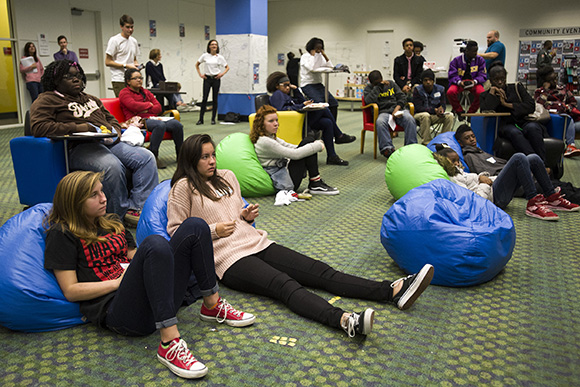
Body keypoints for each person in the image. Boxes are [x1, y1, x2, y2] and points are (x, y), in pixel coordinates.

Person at [166, 134, 434, 338]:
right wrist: (213, 230)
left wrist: (245, 215)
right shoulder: (182, 188)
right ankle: (345, 321)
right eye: (204, 157)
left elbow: (235, 213)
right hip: (228, 259)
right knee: (285, 286)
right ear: (191, 160)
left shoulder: (227, 176)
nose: (212, 161)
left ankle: (392, 290)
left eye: (213, 155)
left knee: (322, 272)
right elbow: (177, 234)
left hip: (256, 241)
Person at [44, 171, 254, 380]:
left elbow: (135, 256)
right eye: (94, 195)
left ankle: (211, 305)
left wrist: (158, 264)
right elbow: (71, 291)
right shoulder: (62, 234)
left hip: (150, 295)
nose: (104, 198)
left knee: (195, 226)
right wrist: (118, 283)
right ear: (74, 201)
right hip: (119, 310)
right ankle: (169, 343)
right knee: (154, 242)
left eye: (102, 191)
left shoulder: (112, 221)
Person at [30, 60, 157, 225]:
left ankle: (136, 209)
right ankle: (115, 218)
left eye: (78, 76)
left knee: (146, 157)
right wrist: (79, 127)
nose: (76, 80)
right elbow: (39, 127)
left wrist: (114, 131)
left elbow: (112, 119)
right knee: (111, 166)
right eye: (69, 77)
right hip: (79, 147)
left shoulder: (91, 99)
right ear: (56, 81)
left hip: (108, 142)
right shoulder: (47, 99)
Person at [434, 143, 579, 220]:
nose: (458, 164)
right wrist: (484, 183)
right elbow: (475, 201)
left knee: (533, 159)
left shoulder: (457, 171)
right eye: (453, 161)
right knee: (519, 157)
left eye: (458, 161)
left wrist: (480, 177)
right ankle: (533, 203)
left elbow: (471, 179)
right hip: (493, 198)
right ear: (443, 162)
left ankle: (551, 197)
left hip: (492, 186)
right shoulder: (451, 179)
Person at [454, 124, 580, 205]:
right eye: (467, 138)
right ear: (460, 142)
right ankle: (534, 202)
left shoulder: (479, 151)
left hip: (518, 175)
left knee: (535, 159)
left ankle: (553, 192)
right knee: (559, 188)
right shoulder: (470, 156)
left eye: (473, 136)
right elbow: (491, 175)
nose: (472, 140)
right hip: (512, 183)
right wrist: (520, 171)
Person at [250, 105, 339, 205]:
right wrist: (317, 146)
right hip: (282, 180)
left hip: (283, 171)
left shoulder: (269, 137)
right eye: (271, 121)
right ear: (261, 124)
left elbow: (291, 147)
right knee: (308, 144)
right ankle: (315, 183)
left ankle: (315, 182)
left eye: (276, 120)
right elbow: (295, 154)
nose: (276, 124)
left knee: (307, 144)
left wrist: (312, 145)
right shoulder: (265, 141)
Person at [267, 71, 355, 166]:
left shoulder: (287, 95)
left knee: (327, 122)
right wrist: (301, 106)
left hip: (301, 120)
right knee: (323, 109)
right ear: (277, 86)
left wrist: (296, 90)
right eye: (285, 85)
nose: (288, 87)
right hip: (295, 122)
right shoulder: (278, 94)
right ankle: (339, 136)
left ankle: (332, 156)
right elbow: (282, 110)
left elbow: (301, 101)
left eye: (289, 85)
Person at [480, 62, 547, 162]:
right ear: (490, 80)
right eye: (496, 80)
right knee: (514, 132)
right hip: (505, 125)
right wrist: (492, 93)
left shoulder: (517, 88)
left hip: (524, 121)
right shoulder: (486, 95)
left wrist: (506, 105)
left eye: (502, 79)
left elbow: (530, 106)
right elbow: (485, 111)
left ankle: (543, 164)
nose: (499, 82)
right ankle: (535, 162)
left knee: (533, 128)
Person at [119, 68, 184, 169]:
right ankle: (154, 156)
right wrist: (149, 105)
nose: (139, 80)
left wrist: (145, 108)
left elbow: (158, 107)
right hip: (136, 121)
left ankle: (181, 156)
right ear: (128, 81)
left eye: (140, 77)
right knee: (160, 125)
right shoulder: (124, 92)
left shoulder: (145, 92)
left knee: (177, 125)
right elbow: (132, 105)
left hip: (152, 118)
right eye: (135, 78)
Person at [363, 70, 418, 159]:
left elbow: (402, 96)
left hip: (397, 110)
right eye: (375, 84)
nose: (378, 84)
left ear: (382, 78)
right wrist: (377, 88)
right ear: (371, 82)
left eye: (379, 82)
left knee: (410, 119)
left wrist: (397, 109)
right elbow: (368, 101)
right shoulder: (369, 89)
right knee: (380, 122)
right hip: (382, 112)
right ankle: (387, 149)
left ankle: (411, 147)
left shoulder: (391, 84)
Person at [534, 66, 580, 157]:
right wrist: (545, 91)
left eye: (554, 78)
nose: (554, 80)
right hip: (548, 116)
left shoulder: (562, 89)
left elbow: (573, 102)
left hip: (563, 114)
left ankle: (571, 146)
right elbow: (538, 105)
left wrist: (567, 107)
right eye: (551, 79)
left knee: (567, 117)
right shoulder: (539, 92)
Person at [299, 37, 340, 121]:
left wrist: (324, 55)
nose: (319, 50)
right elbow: (311, 68)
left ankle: (333, 127)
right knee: (321, 104)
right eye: (317, 48)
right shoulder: (305, 57)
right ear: (312, 48)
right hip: (307, 85)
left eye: (320, 48)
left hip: (318, 84)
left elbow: (331, 66)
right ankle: (317, 126)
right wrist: (313, 55)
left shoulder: (320, 56)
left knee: (334, 103)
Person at [446, 41, 487, 120]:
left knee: (481, 93)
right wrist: (459, 82)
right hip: (459, 83)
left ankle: (470, 113)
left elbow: (483, 75)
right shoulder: (456, 60)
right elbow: (452, 75)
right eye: (474, 51)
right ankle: (459, 111)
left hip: (474, 83)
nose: (476, 53)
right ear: (467, 51)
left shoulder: (480, 60)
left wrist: (474, 81)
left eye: (476, 50)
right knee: (450, 92)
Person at [412, 69, 454, 145]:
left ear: (433, 81)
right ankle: (427, 142)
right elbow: (418, 108)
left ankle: (444, 140)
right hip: (420, 116)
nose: (428, 82)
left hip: (435, 115)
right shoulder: (417, 90)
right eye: (425, 80)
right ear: (422, 81)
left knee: (450, 116)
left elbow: (443, 104)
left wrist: (441, 110)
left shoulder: (440, 89)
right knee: (425, 115)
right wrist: (434, 110)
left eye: (430, 80)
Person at [195, 39, 229, 125]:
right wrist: (200, 74)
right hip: (207, 79)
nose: (214, 46)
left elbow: (227, 67)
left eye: (215, 45)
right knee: (204, 98)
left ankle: (213, 119)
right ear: (209, 46)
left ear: (217, 47)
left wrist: (221, 74)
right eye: (212, 44)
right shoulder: (205, 56)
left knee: (215, 99)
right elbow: (197, 65)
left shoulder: (220, 57)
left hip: (216, 79)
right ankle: (201, 119)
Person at [106, 14, 141, 97]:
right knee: (124, 104)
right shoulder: (114, 40)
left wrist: (135, 65)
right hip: (119, 78)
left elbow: (134, 59)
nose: (130, 30)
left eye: (132, 27)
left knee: (135, 103)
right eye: (128, 27)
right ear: (121, 27)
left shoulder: (134, 41)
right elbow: (107, 62)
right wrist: (125, 65)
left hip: (132, 79)